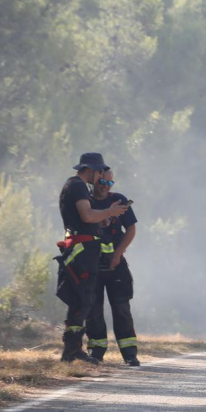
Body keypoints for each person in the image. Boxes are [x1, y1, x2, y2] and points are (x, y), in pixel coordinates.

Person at [55, 153, 129, 363]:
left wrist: (101, 221)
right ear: (92, 170)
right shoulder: (78, 186)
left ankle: (72, 350)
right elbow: (87, 215)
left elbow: (85, 219)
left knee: (80, 300)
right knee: (84, 299)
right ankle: (71, 351)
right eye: (99, 173)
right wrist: (109, 211)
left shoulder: (74, 186)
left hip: (80, 248)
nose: (100, 178)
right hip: (82, 251)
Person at [86, 168, 140, 366]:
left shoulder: (118, 200)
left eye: (109, 183)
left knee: (121, 308)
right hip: (90, 264)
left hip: (116, 265)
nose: (105, 186)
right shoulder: (85, 202)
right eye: (102, 181)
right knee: (93, 309)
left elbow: (131, 229)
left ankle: (130, 354)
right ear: (94, 180)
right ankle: (96, 352)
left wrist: (118, 254)